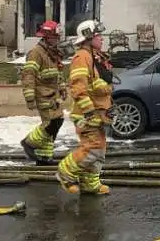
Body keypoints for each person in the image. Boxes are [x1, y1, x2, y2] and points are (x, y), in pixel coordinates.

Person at [56, 19, 113, 195]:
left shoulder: (95, 56)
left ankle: (90, 184)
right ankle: (65, 172)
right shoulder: (82, 57)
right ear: (88, 38)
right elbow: (78, 88)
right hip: (87, 114)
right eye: (98, 35)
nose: (102, 38)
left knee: (99, 150)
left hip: (98, 113)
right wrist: (89, 112)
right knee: (93, 148)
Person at [20, 20, 67, 166]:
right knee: (50, 124)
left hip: (53, 95)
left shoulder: (52, 53)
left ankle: (44, 156)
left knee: (57, 121)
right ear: (47, 37)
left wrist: (63, 87)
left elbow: (57, 73)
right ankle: (29, 143)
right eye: (55, 37)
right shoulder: (36, 53)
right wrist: (29, 98)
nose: (57, 40)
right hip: (43, 95)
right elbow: (28, 75)